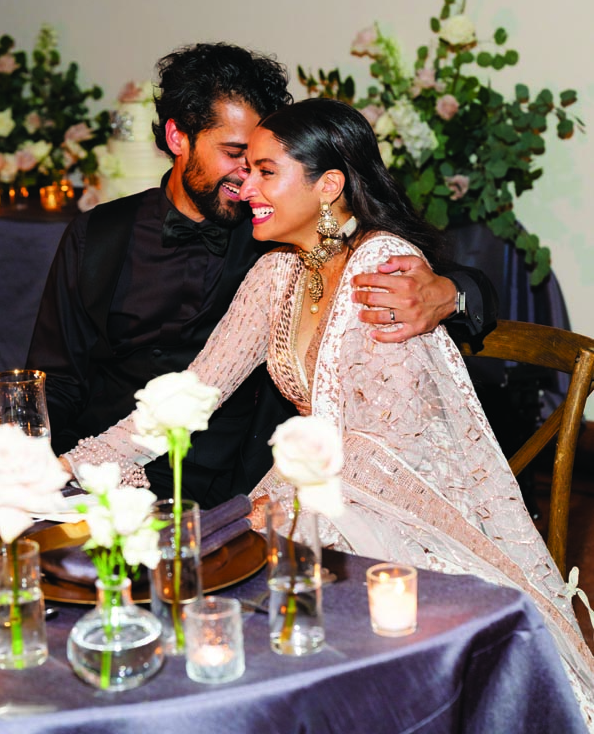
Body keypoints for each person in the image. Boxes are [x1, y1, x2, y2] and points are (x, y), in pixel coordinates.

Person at [67, 97, 593, 722]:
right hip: (319, 497)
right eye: (246, 168)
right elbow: (192, 393)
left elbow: (390, 449)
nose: (244, 186)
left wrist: (283, 509)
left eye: (266, 171)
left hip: (400, 518)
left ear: (330, 186)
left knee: (251, 596)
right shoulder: (274, 273)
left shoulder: (381, 270)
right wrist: (85, 460)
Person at [28, 43, 496, 506]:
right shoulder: (103, 235)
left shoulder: (291, 238)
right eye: (237, 155)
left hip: (245, 483)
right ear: (177, 139)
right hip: (124, 467)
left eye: (262, 166)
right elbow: (61, 380)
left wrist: (450, 292)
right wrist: (54, 472)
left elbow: (400, 277)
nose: (246, 182)